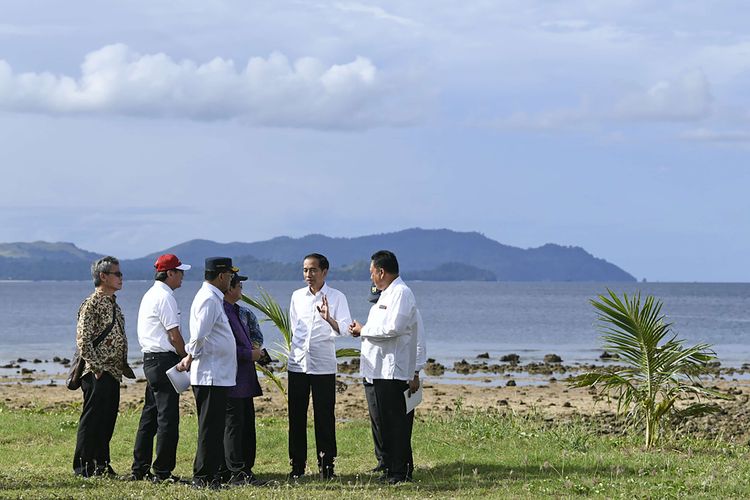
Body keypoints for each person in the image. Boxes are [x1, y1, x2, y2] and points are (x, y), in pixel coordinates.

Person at [349, 250, 418, 484]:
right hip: (379, 370)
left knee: (396, 422)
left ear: (381, 271)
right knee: (386, 422)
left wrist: (363, 330)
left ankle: (401, 472)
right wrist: (363, 329)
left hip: (393, 369)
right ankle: (391, 468)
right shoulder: (386, 295)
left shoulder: (401, 293)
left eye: (372, 273)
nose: (371, 278)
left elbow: (393, 328)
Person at [287, 253, 352, 479]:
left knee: (324, 417)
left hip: (323, 365)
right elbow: (295, 328)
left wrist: (328, 319)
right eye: (305, 270)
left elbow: (345, 329)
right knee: (296, 417)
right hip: (297, 364)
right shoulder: (296, 296)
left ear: (324, 272)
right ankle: (297, 466)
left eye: (313, 270)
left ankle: (327, 466)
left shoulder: (336, 297)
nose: (308, 275)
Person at [128, 254, 191, 482]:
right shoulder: (165, 297)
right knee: (168, 417)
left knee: (151, 414)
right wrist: (186, 357)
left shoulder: (150, 294)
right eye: (180, 272)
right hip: (164, 359)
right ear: (170, 273)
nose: (183, 276)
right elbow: (174, 335)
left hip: (150, 359)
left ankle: (140, 467)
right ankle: (163, 471)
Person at [177, 257, 238, 489]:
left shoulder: (213, 298)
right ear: (221, 276)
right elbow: (199, 335)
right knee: (210, 429)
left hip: (218, 374)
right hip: (210, 375)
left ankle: (212, 475)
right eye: (230, 276)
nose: (231, 280)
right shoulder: (209, 299)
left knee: (214, 428)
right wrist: (190, 356)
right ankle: (203, 477)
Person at [73, 256, 128, 477]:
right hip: (97, 371)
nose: (121, 278)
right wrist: (96, 368)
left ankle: (102, 464)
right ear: (103, 276)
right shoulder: (92, 303)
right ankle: (83, 466)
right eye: (117, 274)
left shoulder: (113, 303)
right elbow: (83, 339)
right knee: (92, 418)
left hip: (113, 371)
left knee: (107, 420)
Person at [363, 284, 426, 480]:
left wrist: (416, 371)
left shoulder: (405, 305)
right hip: (375, 371)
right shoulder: (376, 310)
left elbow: (417, 342)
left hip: (395, 372)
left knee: (397, 422)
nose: (376, 302)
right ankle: (386, 461)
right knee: (379, 420)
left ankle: (400, 468)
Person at [221, 272, 264, 486]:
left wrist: (256, 353)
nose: (241, 291)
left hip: (245, 378)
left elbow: (254, 338)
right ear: (229, 288)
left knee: (246, 425)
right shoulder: (222, 311)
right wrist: (250, 354)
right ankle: (235, 470)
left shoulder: (240, 312)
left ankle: (245, 467)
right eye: (239, 286)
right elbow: (224, 346)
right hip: (232, 378)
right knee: (233, 426)